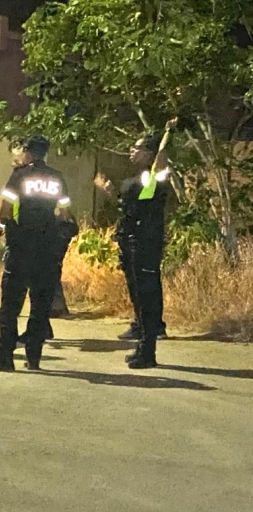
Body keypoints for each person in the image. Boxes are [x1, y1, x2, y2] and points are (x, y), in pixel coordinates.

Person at [0, 135, 72, 372]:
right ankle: (34, 358)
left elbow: (4, 212)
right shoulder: (57, 178)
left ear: (28, 152)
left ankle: (5, 358)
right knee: (39, 305)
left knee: (10, 306)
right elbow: (64, 215)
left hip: (20, 247)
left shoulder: (19, 176)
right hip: (46, 249)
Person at [95, 118, 177, 368]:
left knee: (147, 294)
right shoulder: (140, 179)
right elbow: (128, 206)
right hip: (132, 240)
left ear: (150, 154)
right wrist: (109, 191)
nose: (132, 150)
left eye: (137, 148)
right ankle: (142, 340)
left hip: (145, 242)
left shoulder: (155, 176)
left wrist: (167, 132)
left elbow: (162, 157)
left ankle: (148, 350)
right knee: (138, 294)